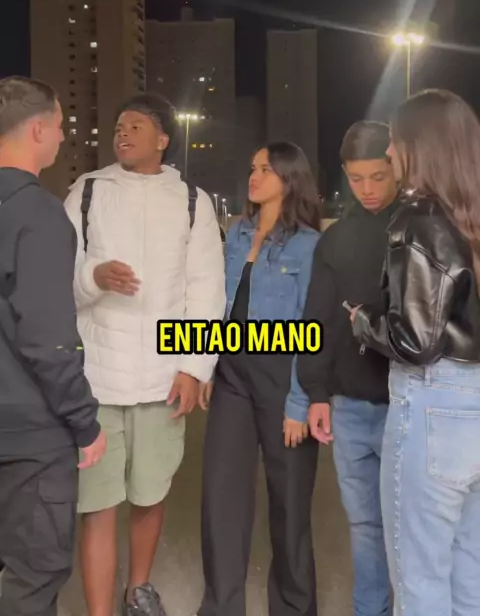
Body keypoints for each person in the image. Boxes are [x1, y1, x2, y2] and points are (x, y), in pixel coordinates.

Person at [64, 93, 225, 616]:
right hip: (96, 379)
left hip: (161, 379)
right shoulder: (88, 192)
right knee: (97, 503)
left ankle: (138, 590)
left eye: (135, 125)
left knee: (150, 495)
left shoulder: (192, 201)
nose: (122, 133)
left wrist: (193, 368)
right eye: (118, 125)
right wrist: (94, 277)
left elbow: (205, 291)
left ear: (162, 139)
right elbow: (59, 276)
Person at [351, 90, 480, 616]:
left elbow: (416, 341)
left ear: (418, 147)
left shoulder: (418, 221)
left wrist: (363, 321)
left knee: (421, 582)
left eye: (395, 142)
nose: (389, 153)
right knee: (469, 576)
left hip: (433, 408)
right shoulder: (471, 218)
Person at [197, 142, 322, 616]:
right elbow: (217, 303)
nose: (254, 176)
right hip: (233, 374)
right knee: (221, 498)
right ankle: (221, 606)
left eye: (265, 169)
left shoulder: (309, 245)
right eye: (252, 167)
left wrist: (299, 403)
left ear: (289, 179)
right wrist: (206, 364)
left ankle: (293, 607)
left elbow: (315, 327)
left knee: (289, 504)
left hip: (283, 376)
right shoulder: (236, 233)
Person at [0, 76, 105, 616]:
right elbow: (47, 341)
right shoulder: (39, 216)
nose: (64, 137)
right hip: (31, 440)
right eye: (61, 126)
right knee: (32, 578)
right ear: (37, 130)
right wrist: (85, 423)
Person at [292, 121, 400, 616]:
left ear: (398, 166)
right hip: (350, 409)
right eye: (357, 179)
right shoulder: (334, 241)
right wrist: (316, 394)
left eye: (378, 176)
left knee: (415, 527)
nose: (368, 189)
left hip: (407, 405)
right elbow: (317, 323)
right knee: (365, 526)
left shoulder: (420, 230)